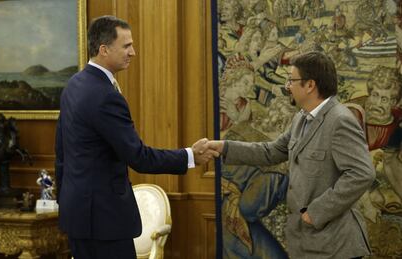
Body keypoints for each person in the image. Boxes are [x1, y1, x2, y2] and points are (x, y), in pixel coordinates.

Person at [55, 15, 218, 259]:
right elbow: (138, 157)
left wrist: (66, 202)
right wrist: (189, 156)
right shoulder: (104, 95)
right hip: (104, 221)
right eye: (127, 45)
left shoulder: (74, 86)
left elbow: (61, 155)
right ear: (104, 49)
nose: (133, 52)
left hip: (77, 216)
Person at [206, 51, 375, 258]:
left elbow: (362, 173)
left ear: (310, 85)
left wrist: (316, 212)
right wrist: (225, 147)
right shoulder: (301, 119)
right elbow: (271, 152)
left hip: (335, 246)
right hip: (306, 245)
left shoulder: (340, 120)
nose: (288, 87)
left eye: (292, 80)